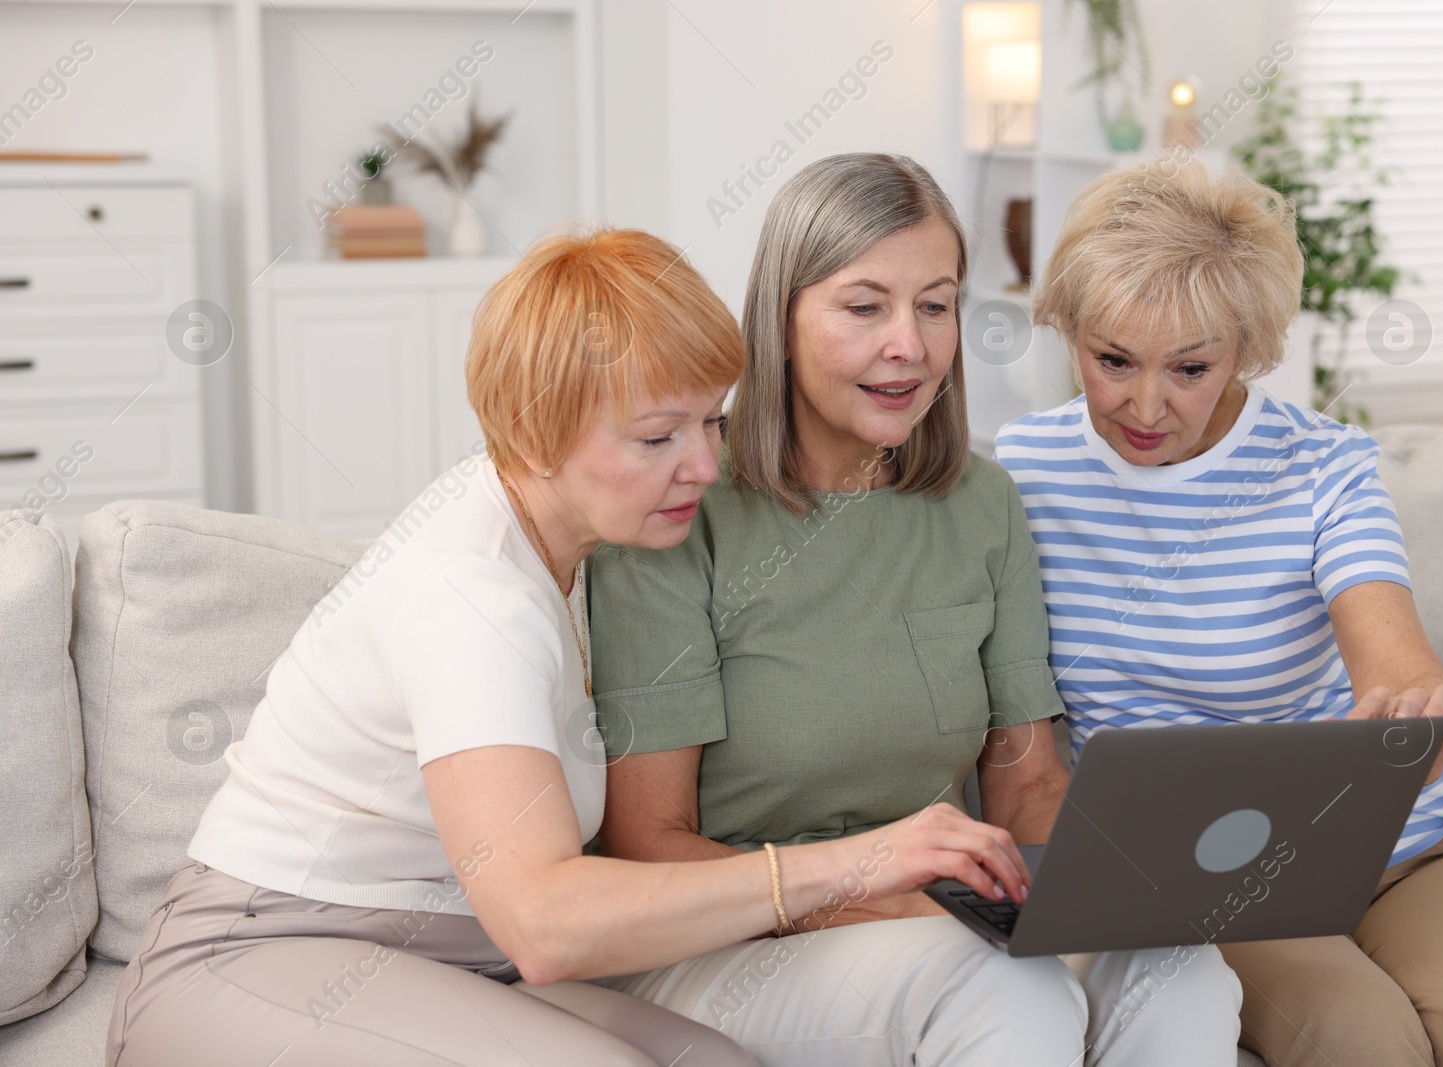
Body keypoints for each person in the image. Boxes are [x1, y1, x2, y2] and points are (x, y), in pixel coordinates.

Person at [106, 229, 1037, 1067]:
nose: (706, 468)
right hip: (260, 956)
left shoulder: (565, 545)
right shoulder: (472, 598)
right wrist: (859, 861)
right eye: (655, 437)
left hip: (460, 959)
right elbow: (545, 922)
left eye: (710, 421)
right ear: (529, 435)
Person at [586, 153, 1243, 1067]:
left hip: (933, 917)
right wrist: (881, 896)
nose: (911, 344)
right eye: (865, 307)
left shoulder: (982, 505)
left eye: (935, 305)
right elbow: (647, 842)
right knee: (1007, 988)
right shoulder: (683, 503)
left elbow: (1027, 785)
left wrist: (1113, 887)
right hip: (726, 941)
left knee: (1187, 971)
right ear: (780, 319)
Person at [996, 158, 1443, 1067]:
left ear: (1249, 350)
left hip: (1415, 846)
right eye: (1112, 360)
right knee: (1362, 1040)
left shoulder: (1326, 466)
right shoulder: (1019, 477)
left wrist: (1412, 705)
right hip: (1207, 876)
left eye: (1191, 367)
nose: (1146, 405)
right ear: (1068, 329)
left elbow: (1390, 652)